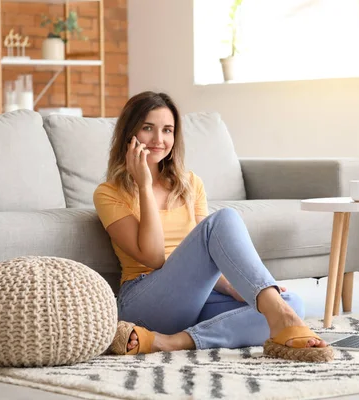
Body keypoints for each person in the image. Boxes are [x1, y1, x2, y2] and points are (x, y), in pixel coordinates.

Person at [93, 91, 333, 362]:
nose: (159, 140)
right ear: (129, 134)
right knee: (223, 220)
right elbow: (153, 257)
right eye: (148, 128)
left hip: (195, 301)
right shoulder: (108, 193)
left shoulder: (190, 184)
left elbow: (206, 262)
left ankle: (171, 342)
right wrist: (145, 185)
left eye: (167, 130)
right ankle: (276, 315)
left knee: (291, 304)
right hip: (144, 302)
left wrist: (235, 288)